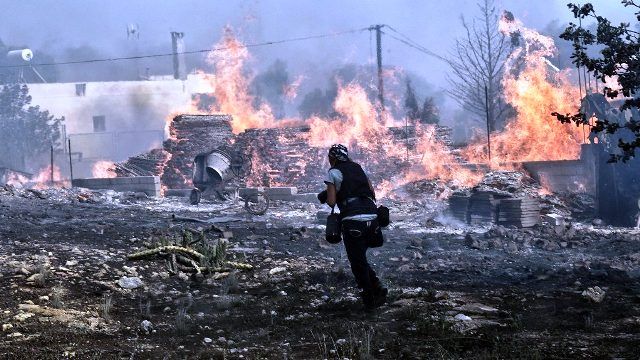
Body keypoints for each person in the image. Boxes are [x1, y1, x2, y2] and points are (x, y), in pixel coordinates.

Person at [318, 144, 387, 310]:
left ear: (333, 158)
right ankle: (377, 286)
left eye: (330, 157)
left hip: (353, 221)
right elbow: (371, 191)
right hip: (373, 217)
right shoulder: (358, 168)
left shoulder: (333, 172)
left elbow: (332, 202)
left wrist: (327, 193)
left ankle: (370, 301)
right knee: (360, 259)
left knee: (357, 263)